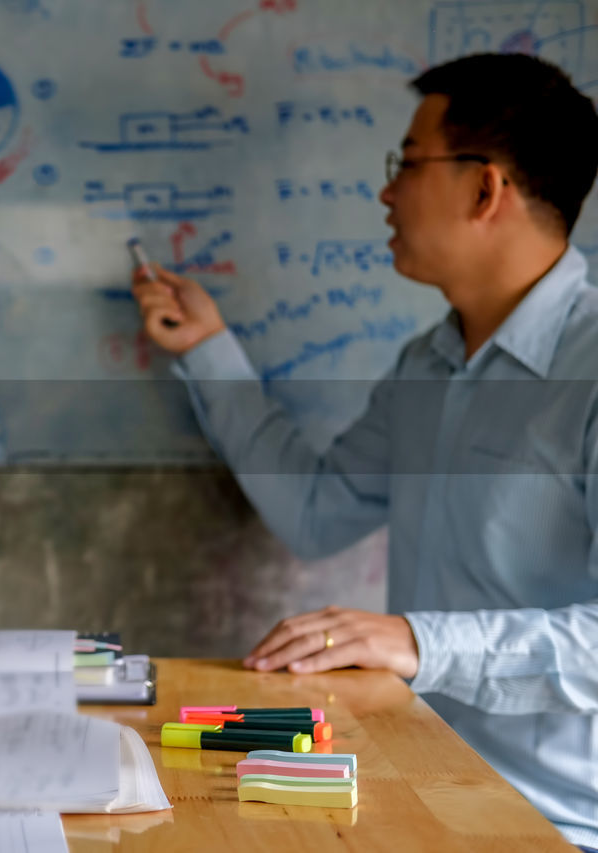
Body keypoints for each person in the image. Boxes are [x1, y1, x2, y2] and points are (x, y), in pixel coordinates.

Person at [134, 53, 598, 848]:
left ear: (485, 188)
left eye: (408, 165)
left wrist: (419, 641)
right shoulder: (428, 364)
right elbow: (316, 513)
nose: (387, 192)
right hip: (413, 773)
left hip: (551, 818)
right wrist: (211, 349)